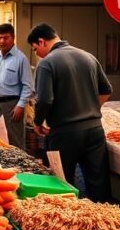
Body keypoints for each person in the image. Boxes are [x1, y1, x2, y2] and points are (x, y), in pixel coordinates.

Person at [28, 23, 112, 201]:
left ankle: (70, 218)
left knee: (62, 186)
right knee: (98, 184)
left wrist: (38, 122)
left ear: (42, 42)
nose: (37, 54)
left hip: (64, 134)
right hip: (95, 131)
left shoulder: (47, 63)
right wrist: (91, 108)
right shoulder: (88, 56)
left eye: (35, 49)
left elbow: (44, 100)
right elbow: (106, 90)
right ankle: (104, 216)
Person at [0, 23, 34, 150]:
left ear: (13, 38)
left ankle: (19, 163)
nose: (2, 41)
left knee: (14, 140)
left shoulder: (20, 59)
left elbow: (28, 86)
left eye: (6, 38)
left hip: (12, 105)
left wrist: (21, 105)